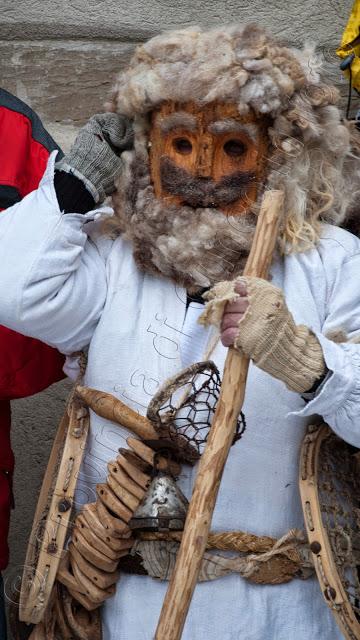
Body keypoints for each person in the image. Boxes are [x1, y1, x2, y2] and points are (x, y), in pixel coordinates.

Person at [1, 24, 360, 640]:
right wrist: (69, 190)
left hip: (281, 612)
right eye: (182, 144)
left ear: (277, 151)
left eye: (232, 149)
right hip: (124, 608)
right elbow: (15, 293)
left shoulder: (331, 262)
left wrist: (309, 365)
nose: (203, 172)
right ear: (149, 148)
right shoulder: (114, 256)